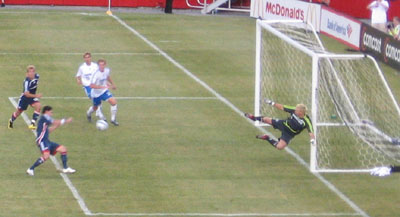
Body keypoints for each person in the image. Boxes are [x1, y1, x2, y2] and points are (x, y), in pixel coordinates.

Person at [245, 99, 315, 150]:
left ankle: (267, 137)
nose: (295, 110)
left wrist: (312, 140)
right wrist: (272, 103)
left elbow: (311, 132)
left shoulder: (306, 120)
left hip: (289, 134)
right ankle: (253, 117)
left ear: (300, 112)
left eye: (296, 110)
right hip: (284, 124)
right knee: (266, 120)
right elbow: (282, 107)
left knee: (280, 147)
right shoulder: (294, 110)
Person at [26, 106, 75, 176]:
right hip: (42, 141)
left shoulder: (44, 121)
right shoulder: (45, 117)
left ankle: (65, 168)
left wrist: (56, 126)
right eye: (51, 112)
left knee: (63, 149)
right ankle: (31, 169)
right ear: (46, 111)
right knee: (46, 156)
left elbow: (48, 131)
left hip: (47, 141)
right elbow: (54, 122)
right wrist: (66, 121)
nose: (51, 114)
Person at [87, 59, 119, 126]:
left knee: (113, 102)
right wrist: (101, 87)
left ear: (105, 65)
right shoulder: (95, 74)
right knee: (95, 107)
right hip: (96, 94)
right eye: (100, 65)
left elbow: (107, 76)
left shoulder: (107, 70)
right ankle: (88, 114)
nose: (101, 66)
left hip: (104, 91)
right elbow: (91, 85)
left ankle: (113, 119)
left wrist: (112, 84)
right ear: (98, 66)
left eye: (103, 65)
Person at [8, 65, 42, 130]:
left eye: (33, 72)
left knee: (38, 106)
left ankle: (32, 123)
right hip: (25, 98)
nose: (32, 73)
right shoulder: (27, 82)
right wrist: (36, 96)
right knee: (18, 112)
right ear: (27, 73)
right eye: (30, 72)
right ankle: (11, 120)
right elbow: (27, 94)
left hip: (32, 97)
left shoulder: (37, 76)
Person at [76, 52, 105, 120]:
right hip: (87, 87)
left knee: (96, 104)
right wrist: (78, 80)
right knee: (96, 98)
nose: (87, 59)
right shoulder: (82, 67)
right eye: (86, 57)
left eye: (88, 57)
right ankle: (99, 114)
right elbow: (78, 75)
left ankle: (89, 113)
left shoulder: (95, 66)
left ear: (90, 58)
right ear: (84, 59)